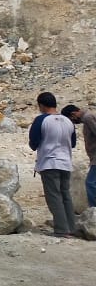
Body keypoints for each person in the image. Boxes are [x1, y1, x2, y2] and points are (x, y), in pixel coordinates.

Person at [30, 92, 77, 237]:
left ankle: (61, 229)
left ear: (41, 105)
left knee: (54, 196)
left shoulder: (41, 120)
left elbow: (33, 143)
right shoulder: (68, 121)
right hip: (66, 162)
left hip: (49, 162)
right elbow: (73, 143)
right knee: (65, 195)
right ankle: (71, 227)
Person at [63, 103, 96, 208]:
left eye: (71, 120)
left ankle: (94, 210)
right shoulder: (89, 117)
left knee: (90, 183)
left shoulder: (87, 118)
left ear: (73, 114)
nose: (73, 122)